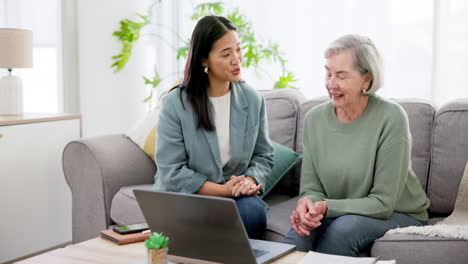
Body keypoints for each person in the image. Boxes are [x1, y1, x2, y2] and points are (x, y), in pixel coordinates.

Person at [283, 34, 430, 256]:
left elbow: (382, 202)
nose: (331, 84)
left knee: (343, 229)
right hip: (338, 211)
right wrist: (308, 205)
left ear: (367, 80)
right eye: (328, 73)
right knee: (298, 236)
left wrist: (327, 207)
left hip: (397, 212)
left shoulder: (391, 117)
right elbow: (312, 188)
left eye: (341, 76)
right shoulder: (314, 120)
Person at [153, 15, 273, 239]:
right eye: (226, 54)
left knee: (253, 213)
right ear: (204, 61)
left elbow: (263, 156)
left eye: (238, 50)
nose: (236, 60)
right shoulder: (176, 104)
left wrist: (249, 181)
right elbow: (171, 171)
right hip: (187, 196)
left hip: (234, 195)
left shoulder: (252, 99)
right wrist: (222, 191)